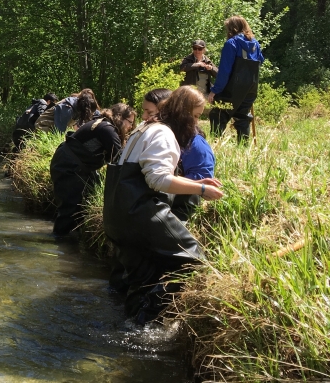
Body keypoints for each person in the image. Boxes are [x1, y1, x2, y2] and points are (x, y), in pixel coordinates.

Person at [103, 86, 223, 325]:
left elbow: (145, 170)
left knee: (142, 279)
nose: (197, 123)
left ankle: (132, 329)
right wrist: (201, 189)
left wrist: (193, 181)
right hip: (140, 214)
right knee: (193, 261)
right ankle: (148, 322)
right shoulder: (164, 133)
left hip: (116, 216)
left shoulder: (144, 128)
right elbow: (157, 179)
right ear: (183, 112)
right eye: (196, 116)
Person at [50, 103, 136, 237]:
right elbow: (120, 158)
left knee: (78, 207)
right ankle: (60, 245)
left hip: (70, 164)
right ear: (120, 118)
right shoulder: (107, 129)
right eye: (130, 122)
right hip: (68, 167)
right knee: (70, 208)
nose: (131, 126)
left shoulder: (104, 125)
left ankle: (71, 241)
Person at [141, 88, 216, 221]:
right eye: (195, 116)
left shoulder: (197, 145)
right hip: (151, 206)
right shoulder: (161, 134)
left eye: (197, 117)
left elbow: (202, 185)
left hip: (178, 212)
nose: (196, 122)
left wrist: (201, 187)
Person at [207, 16, 265, 143]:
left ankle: (215, 146)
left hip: (234, 87)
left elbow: (224, 70)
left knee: (218, 114)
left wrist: (215, 90)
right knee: (243, 117)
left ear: (232, 28)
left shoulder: (231, 43)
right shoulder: (255, 43)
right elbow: (261, 60)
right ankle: (243, 148)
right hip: (251, 86)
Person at [35, 88, 100, 133]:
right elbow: (59, 132)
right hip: (43, 126)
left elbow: (98, 114)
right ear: (86, 109)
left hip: (54, 128)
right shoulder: (67, 109)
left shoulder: (79, 107)